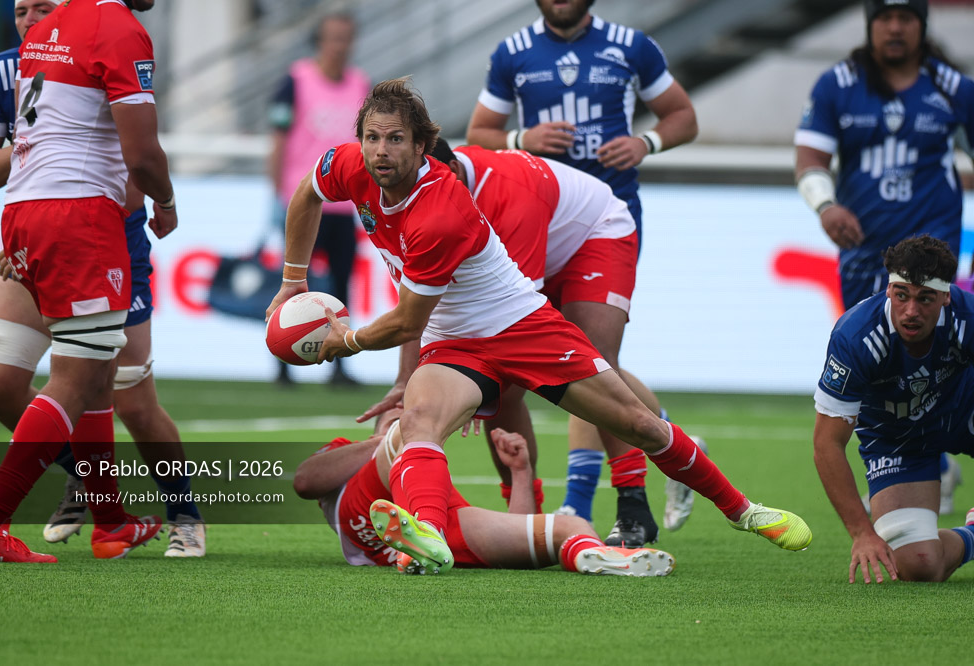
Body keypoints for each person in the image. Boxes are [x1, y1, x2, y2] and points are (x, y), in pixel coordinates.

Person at [267, 76, 811, 575]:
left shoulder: (440, 211)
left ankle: (744, 510)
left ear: (421, 145)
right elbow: (306, 196)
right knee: (420, 419)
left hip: (518, 324)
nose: (381, 151)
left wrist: (344, 341)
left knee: (637, 424)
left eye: (395, 140)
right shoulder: (349, 165)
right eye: (372, 138)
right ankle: (428, 535)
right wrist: (294, 280)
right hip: (453, 342)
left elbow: (408, 319)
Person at [362, 138, 706, 547]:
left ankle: (633, 505)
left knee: (592, 362)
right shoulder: (411, 192)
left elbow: (511, 330)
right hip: (538, 245)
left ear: (449, 173)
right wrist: (407, 383)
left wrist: (466, 373)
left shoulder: (505, 197)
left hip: (596, 234)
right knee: (501, 398)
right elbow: (417, 303)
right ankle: (527, 511)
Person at [0, 0, 205, 558]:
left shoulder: (51, 34)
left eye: (38, 6)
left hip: (32, 216)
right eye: (21, 7)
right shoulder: (119, 28)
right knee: (74, 384)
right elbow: (142, 155)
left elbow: (44, 138)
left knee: (108, 383)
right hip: (81, 220)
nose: (30, 16)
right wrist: (167, 201)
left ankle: (122, 522)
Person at [466, 0, 700, 535]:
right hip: (533, 221)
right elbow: (480, 131)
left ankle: (619, 506)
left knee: (590, 361)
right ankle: (527, 505)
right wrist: (522, 141)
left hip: (604, 221)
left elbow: (683, 116)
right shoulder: (514, 53)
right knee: (505, 374)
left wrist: (647, 142)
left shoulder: (630, 46)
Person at [795, 0, 972, 515]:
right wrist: (825, 206)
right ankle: (910, 465)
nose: (895, 28)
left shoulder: (953, 88)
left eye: (906, 18)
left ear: (922, 25)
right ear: (871, 25)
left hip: (934, 247)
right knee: (876, 358)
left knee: (937, 348)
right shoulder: (838, 85)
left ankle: (937, 448)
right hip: (863, 251)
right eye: (885, 18)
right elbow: (810, 157)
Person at [295, 408, 676, 576]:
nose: (413, 414)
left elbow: (518, 526)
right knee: (405, 437)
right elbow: (305, 481)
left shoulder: (432, 485)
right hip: (364, 515)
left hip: (440, 530)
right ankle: (427, 533)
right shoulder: (355, 448)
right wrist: (397, 429)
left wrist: (521, 472)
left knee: (568, 526)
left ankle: (599, 556)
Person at [813, 235, 974, 583]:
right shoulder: (855, 337)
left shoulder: (968, 318)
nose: (911, 311)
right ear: (889, 290)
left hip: (964, 410)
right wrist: (862, 533)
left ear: (946, 296)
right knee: (917, 564)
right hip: (897, 437)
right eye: (902, 295)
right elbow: (827, 444)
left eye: (925, 299)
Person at [267, 12, 369, 387]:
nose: (340, 46)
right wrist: (276, 195)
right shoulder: (295, 82)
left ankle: (340, 362)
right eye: (334, 38)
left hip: (344, 205)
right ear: (319, 43)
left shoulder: (361, 83)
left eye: (346, 38)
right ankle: (281, 358)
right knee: (294, 281)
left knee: (342, 283)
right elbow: (277, 139)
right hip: (303, 201)